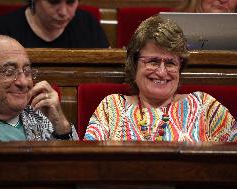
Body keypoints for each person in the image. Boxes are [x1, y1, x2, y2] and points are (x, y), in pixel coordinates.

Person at [84, 16, 236, 142]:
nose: (162, 72)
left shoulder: (204, 105)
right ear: (134, 64)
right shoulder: (111, 107)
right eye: (153, 62)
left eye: (170, 63)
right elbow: (88, 163)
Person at [0, 35, 78, 142]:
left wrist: (61, 127)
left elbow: (75, 168)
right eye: (9, 71)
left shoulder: (45, 120)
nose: (23, 82)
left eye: (27, 71)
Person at [0, 0, 109, 48]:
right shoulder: (3, 29)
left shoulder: (88, 24)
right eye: (54, 2)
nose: (63, 12)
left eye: (71, 2)